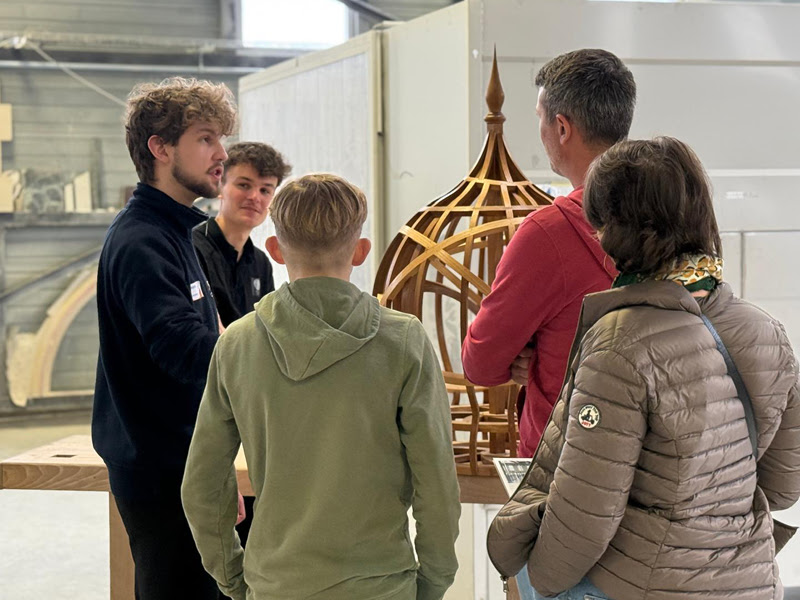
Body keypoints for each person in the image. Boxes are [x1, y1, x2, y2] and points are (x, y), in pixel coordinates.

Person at [487, 137, 800, 600]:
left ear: (615, 231)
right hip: (750, 583)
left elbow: (585, 513)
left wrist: (539, 583)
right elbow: (784, 486)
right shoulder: (766, 331)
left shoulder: (620, 343)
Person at [181, 173, 461, 600]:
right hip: (381, 586)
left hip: (276, 585)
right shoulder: (403, 342)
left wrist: (234, 577)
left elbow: (202, 484)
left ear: (274, 250)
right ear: (362, 251)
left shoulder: (237, 343)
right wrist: (433, 580)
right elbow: (436, 479)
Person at [92, 76, 236, 599]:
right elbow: (185, 350)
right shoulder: (141, 240)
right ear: (160, 148)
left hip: (184, 458)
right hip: (162, 467)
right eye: (205, 138)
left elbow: (206, 334)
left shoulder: (174, 231)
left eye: (221, 139)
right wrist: (273, 344)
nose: (222, 154)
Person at [461, 49, 636, 457]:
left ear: (561, 127)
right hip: (653, 455)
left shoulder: (548, 234)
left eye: (540, 118)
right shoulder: (672, 215)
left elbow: (480, 362)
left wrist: (538, 358)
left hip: (568, 460)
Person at [193, 141, 292, 329]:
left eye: (265, 190)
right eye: (244, 185)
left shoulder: (261, 263)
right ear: (220, 185)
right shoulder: (192, 249)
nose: (255, 197)